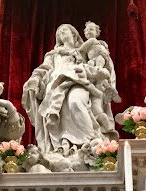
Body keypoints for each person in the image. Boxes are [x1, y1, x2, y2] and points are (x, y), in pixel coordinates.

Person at [22, 23, 117, 155]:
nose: (61, 33)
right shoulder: (53, 54)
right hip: (56, 84)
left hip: (79, 80)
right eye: (59, 33)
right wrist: (35, 79)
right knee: (59, 110)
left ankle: (91, 142)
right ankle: (62, 146)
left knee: (76, 102)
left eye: (64, 30)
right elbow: (43, 69)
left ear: (74, 34)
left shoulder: (84, 52)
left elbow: (100, 62)